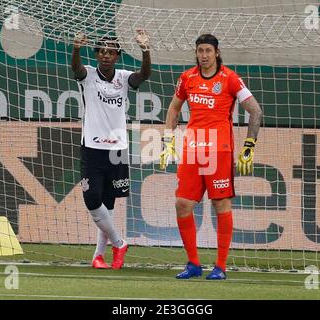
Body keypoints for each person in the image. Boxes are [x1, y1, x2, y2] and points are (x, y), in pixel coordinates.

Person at [160, 34, 262, 280]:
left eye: (208, 50)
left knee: (221, 205)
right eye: (200, 50)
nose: (203, 55)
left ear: (216, 52)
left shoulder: (230, 78)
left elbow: (256, 111)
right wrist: (167, 140)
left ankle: (221, 267)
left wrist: (249, 146)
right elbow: (174, 107)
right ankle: (193, 264)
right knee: (182, 203)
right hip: (193, 149)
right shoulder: (187, 78)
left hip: (219, 150)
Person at [71, 30, 151, 269]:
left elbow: (144, 74)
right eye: (102, 50)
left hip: (117, 149)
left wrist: (145, 49)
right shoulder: (88, 75)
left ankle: (98, 256)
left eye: (111, 51)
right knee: (92, 198)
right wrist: (76, 48)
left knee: (109, 203)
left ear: (117, 55)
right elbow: (76, 68)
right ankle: (119, 243)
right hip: (92, 147)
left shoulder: (125, 78)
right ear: (96, 54)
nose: (106, 55)